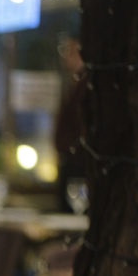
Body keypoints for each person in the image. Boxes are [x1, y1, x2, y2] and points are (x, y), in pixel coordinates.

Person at [53, 35, 87, 214]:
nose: (66, 57)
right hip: (71, 160)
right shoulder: (74, 82)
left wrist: (73, 147)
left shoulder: (85, 85)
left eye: (71, 51)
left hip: (79, 163)